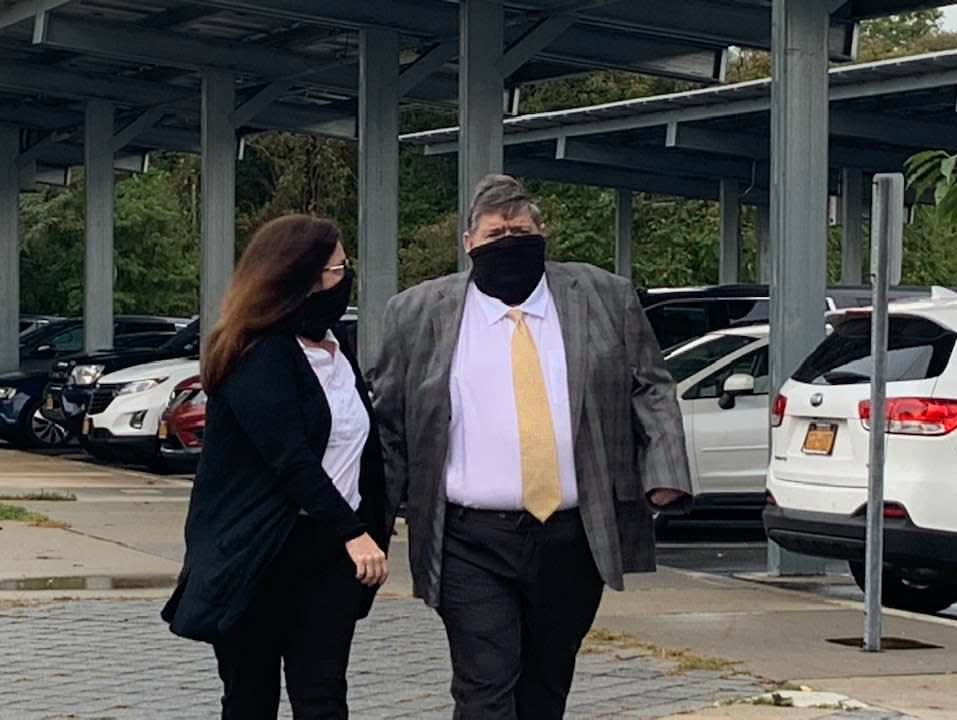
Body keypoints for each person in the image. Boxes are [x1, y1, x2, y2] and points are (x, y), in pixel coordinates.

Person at [372, 175, 692, 719]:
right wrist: (366, 523)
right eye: (496, 232)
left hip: (573, 536)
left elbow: (650, 384)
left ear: (542, 234)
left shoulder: (604, 297)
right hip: (469, 539)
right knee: (485, 686)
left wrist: (663, 470)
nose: (510, 240)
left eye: (521, 229)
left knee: (545, 688)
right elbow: (388, 422)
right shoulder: (416, 314)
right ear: (469, 242)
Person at [161, 215, 390, 720]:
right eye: (337, 270)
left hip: (328, 557)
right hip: (257, 553)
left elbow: (361, 444)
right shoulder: (255, 353)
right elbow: (289, 457)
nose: (344, 280)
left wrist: (373, 521)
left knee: (323, 696)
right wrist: (354, 531)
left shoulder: (335, 346)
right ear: (299, 278)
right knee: (250, 698)